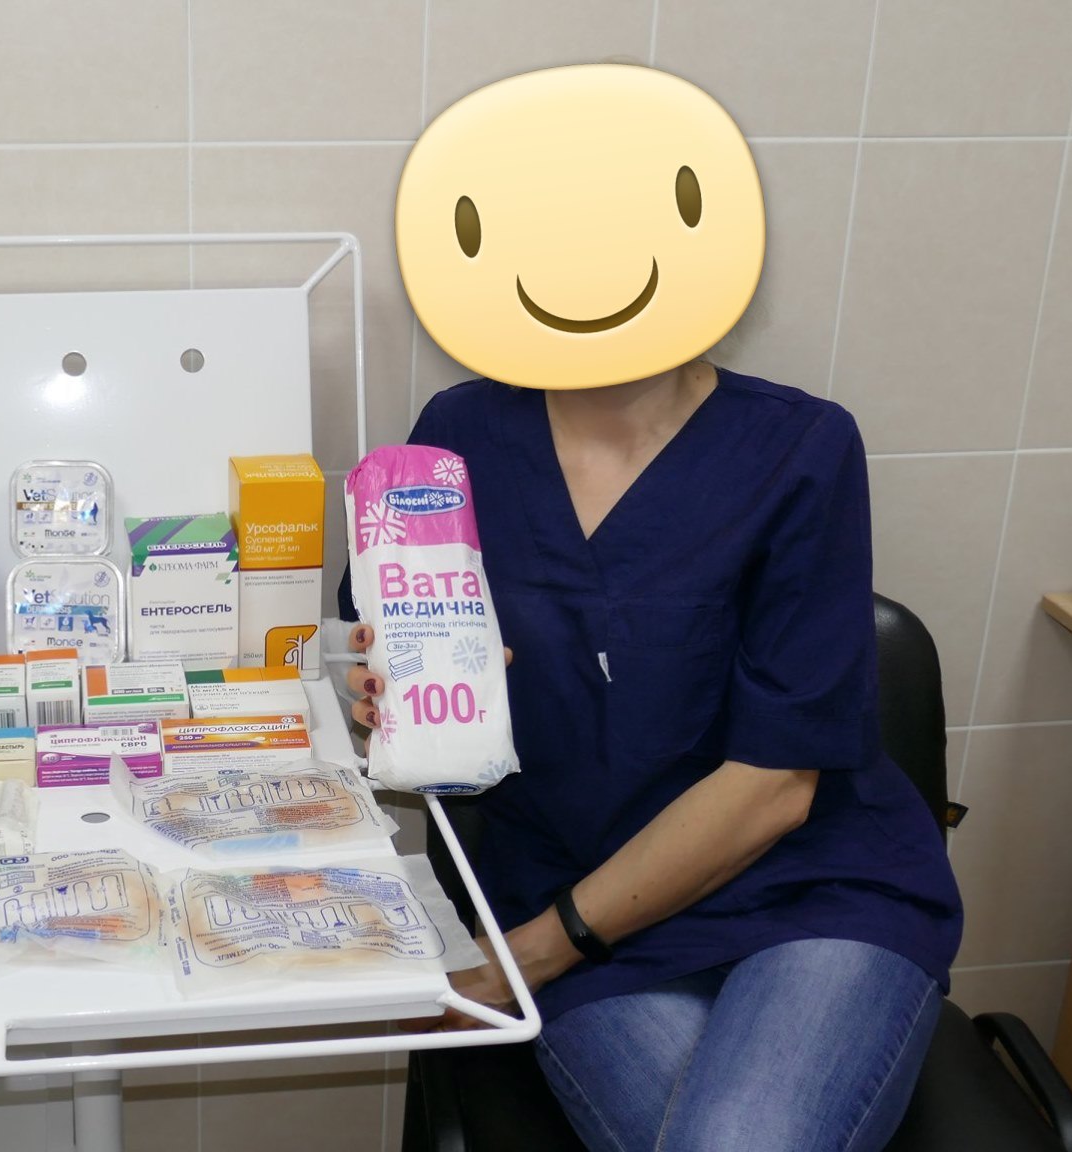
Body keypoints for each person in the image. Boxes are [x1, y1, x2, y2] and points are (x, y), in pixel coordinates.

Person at [340, 359, 963, 1152]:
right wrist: (382, 682)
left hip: (809, 891)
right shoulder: (462, 435)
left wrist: (525, 958)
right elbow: (380, 629)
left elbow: (775, 787)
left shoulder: (801, 445)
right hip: (582, 893)